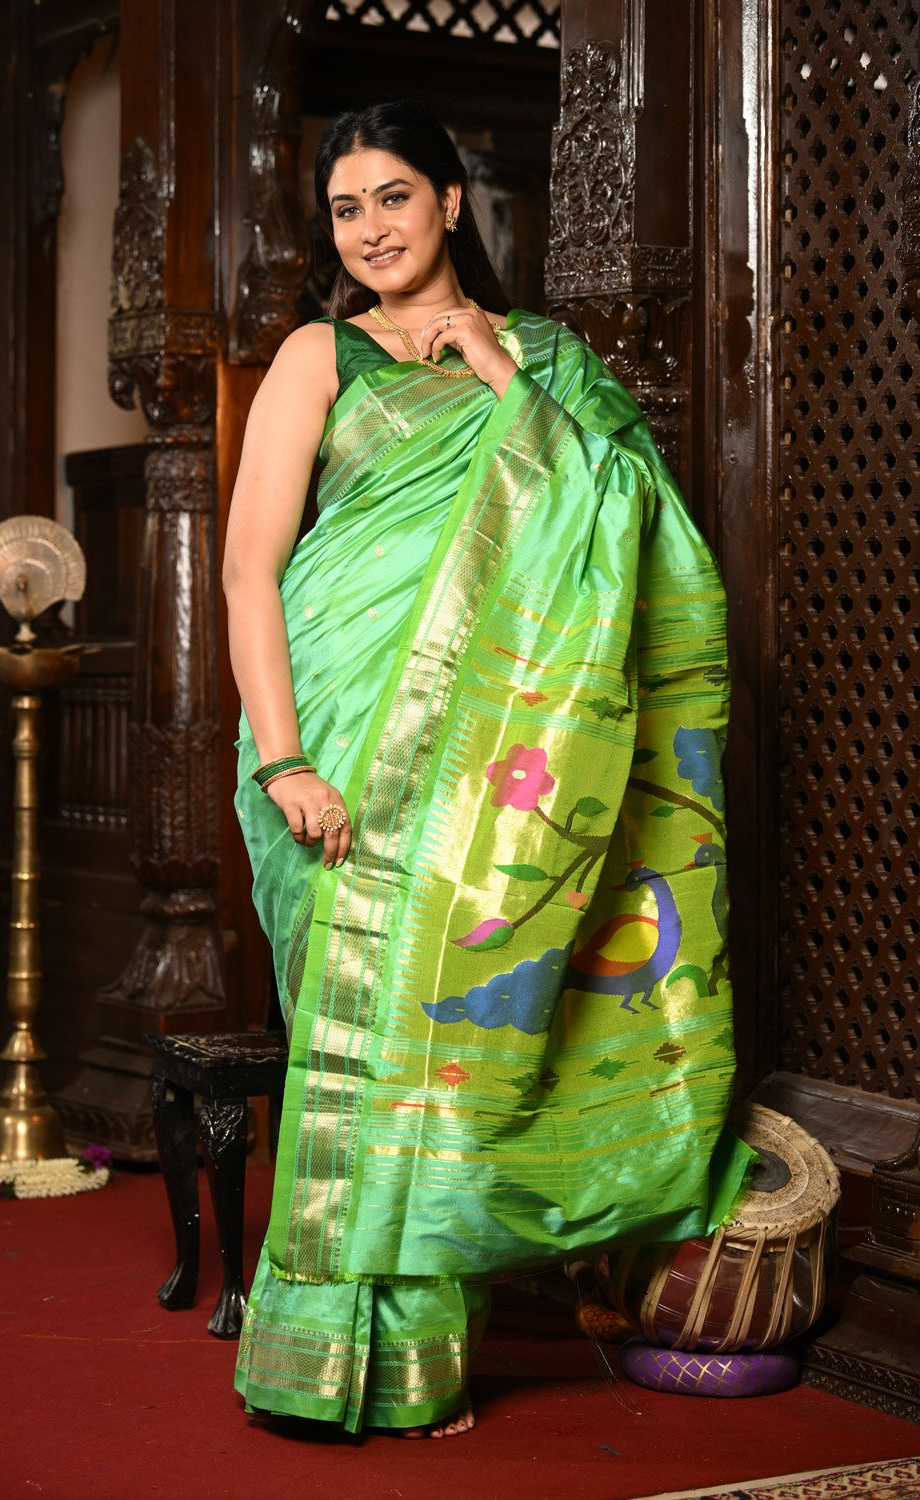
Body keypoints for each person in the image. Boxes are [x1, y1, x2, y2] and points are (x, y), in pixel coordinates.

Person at [223, 99, 754, 1439]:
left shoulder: (547, 359)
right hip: (332, 734)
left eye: (394, 197)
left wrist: (501, 376)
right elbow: (247, 570)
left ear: (452, 202)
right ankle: (322, 1354)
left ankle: (414, 1359)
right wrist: (284, 760)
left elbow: (637, 521)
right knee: (349, 1034)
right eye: (345, 209)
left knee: (440, 1033)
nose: (370, 231)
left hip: (497, 750)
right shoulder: (318, 355)